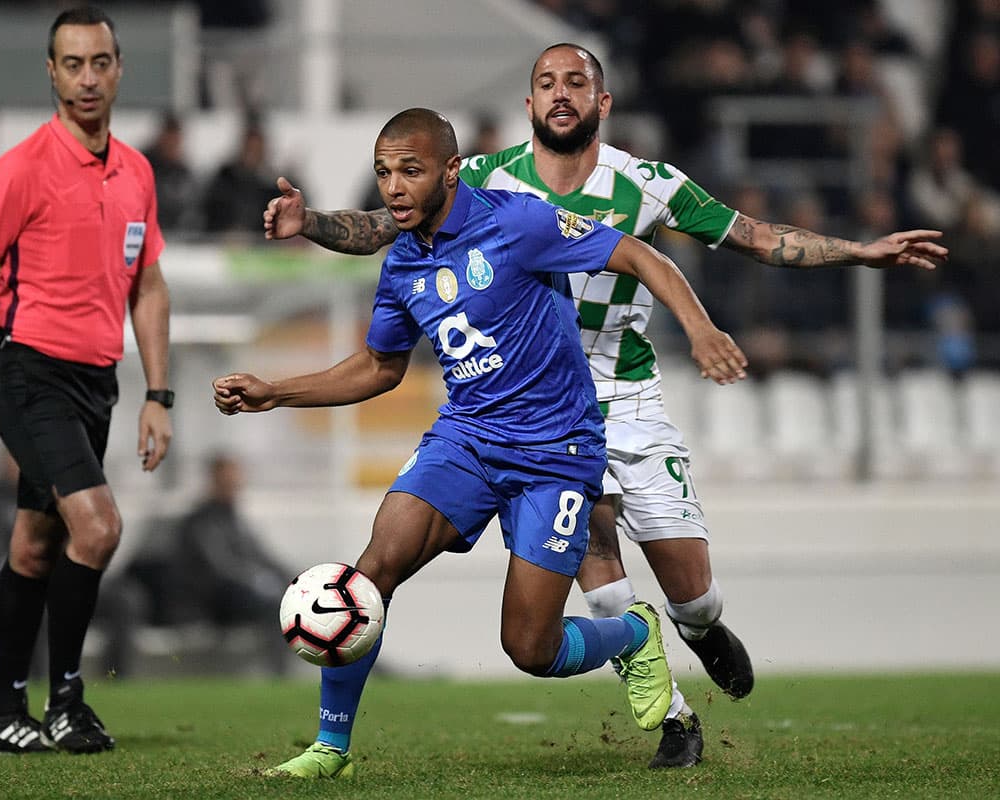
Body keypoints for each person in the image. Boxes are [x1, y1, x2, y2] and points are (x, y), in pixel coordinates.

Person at [261, 43, 947, 768]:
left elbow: (754, 237)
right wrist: (310, 225)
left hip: (623, 393)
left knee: (693, 597)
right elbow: (387, 224)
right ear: (527, 106)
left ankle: (694, 630)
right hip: (518, 411)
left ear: (602, 101)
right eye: (545, 84)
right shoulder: (487, 179)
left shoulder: (646, 184)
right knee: (585, 583)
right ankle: (675, 719)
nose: (560, 94)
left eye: (576, 82)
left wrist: (857, 253)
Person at [217, 107, 749, 778]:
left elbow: (638, 254)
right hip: (466, 440)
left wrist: (700, 331)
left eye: (410, 171)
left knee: (531, 648)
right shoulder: (404, 263)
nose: (395, 188)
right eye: (384, 173)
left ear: (450, 169)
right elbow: (380, 368)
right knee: (367, 577)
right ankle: (331, 749)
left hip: (556, 452)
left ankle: (636, 632)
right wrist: (275, 391)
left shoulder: (517, 222)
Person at [0, 5, 173, 756]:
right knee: (97, 527)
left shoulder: (137, 172)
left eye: (100, 62)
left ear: (119, 67)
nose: (88, 78)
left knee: (36, 542)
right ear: (51, 72)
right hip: (26, 371)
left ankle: (1, 716)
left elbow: (150, 288)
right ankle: (66, 698)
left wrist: (158, 395)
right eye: (73, 64)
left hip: (97, 381)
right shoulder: (22, 167)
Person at [127, 451, 293, 674]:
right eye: (229, 480)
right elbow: (221, 569)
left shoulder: (234, 518)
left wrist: (296, 580)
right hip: (212, 601)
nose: (234, 485)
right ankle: (280, 674)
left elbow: (264, 556)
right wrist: (259, 583)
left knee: (286, 598)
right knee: (274, 604)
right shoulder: (200, 520)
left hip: (238, 594)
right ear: (214, 480)